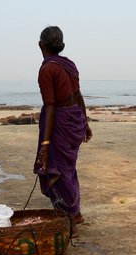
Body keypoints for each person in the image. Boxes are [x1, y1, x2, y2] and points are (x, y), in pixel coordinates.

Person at [33, 26, 92, 237]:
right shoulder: (69, 65)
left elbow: (50, 106)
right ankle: (75, 214)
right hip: (74, 119)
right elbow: (78, 95)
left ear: (41, 45)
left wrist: (45, 145)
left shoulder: (47, 69)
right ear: (61, 45)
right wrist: (85, 121)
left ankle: (69, 224)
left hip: (60, 123)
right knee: (68, 168)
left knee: (55, 170)